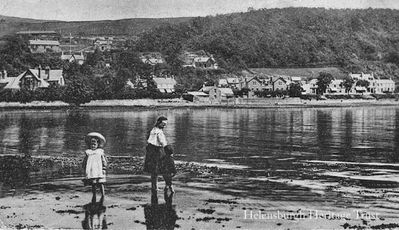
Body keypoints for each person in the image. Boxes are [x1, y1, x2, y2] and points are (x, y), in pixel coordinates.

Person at [144, 116, 168, 204]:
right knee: (158, 169)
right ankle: (158, 187)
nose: (164, 126)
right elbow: (163, 142)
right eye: (163, 124)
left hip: (152, 150)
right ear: (159, 122)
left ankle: (154, 186)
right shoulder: (158, 131)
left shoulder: (154, 129)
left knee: (154, 171)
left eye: (165, 124)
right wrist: (168, 150)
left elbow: (149, 141)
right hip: (157, 151)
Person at [82, 132, 107, 204]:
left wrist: (104, 168)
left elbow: (103, 160)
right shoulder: (88, 152)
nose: (93, 146)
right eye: (91, 144)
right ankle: (94, 194)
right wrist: (84, 166)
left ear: (98, 145)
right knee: (93, 183)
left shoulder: (100, 152)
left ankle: (103, 194)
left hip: (98, 170)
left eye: (94, 144)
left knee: (101, 182)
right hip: (92, 171)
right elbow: (85, 160)